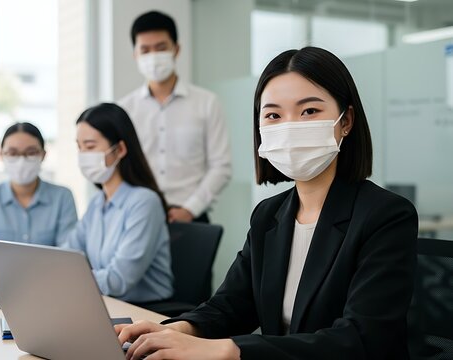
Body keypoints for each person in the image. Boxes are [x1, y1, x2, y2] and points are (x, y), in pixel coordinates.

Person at [115, 47, 418, 359]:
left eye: (309, 111)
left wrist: (226, 351)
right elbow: (232, 304)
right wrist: (176, 330)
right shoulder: (269, 215)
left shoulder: (386, 215)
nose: (290, 126)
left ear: (346, 121)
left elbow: (359, 339)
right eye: (273, 115)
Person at [118, 10, 232, 223]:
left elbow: (221, 166)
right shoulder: (124, 109)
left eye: (161, 48)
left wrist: (190, 209)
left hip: (192, 216)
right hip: (138, 215)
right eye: (145, 50)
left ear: (176, 49)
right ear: (135, 54)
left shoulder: (207, 102)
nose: (153, 57)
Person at [66, 103, 173, 303]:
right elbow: (67, 254)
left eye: (90, 147)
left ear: (120, 149)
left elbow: (118, 279)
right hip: (106, 302)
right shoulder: (97, 203)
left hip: (147, 311)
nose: (82, 156)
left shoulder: (145, 202)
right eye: (79, 147)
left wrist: (63, 280)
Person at [0, 122, 78, 293]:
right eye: (13, 153)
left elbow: (69, 257)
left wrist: (10, 276)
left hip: (46, 290)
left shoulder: (62, 197)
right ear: (1, 155)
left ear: (43, 155)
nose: (22, 160)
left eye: (31, 152)